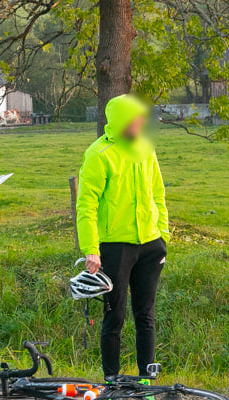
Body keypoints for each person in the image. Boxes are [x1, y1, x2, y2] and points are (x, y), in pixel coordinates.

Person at [75, 94, 170, 380]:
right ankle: (112, 380)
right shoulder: (99, 154)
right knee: (114, 316)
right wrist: (91, 249)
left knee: (146, 315)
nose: (141, 123)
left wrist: (163, 235)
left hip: (150, 245)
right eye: (135, 118)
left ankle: (146, 381)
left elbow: (158, 194)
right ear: (121, 120)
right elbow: (86, 205)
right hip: (115, 246)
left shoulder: (145, 148)